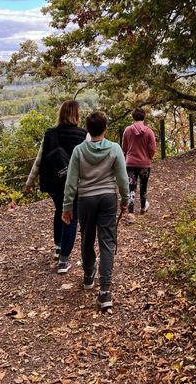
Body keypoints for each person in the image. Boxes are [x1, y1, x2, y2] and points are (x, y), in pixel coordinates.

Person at [62, 111, 129, 310]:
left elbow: (71, 182)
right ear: (105, 128)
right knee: (107, 242)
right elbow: (123, 179)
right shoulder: (114, 148)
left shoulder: (79, 151)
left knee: (87, 237)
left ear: (87, 129)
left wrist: (67, 207)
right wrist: (125, 200)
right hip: (108, 197)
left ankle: (88, 275)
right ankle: (105, 291)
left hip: (86, 199)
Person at [26, 100, 86, 274]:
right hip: (73, 184)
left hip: (52, 183)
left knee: (59, 210)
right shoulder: (83, 135)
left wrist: (30, 182)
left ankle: (59, 246)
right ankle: (63, 261)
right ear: (76, 114)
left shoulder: (50, 134)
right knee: (71, 216)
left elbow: (39, 160)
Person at [122, 107, 156, 224]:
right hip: (144, 164)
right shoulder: (149, 131)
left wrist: (127, 156)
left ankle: (131, 213)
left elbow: (124, 148)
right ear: (144, 117)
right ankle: (142, 208)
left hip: (130, 163)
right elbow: (152, 149)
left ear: (133, 117)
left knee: (131, 187)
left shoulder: (127, 130)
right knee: (144, 186)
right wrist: (148, 157)